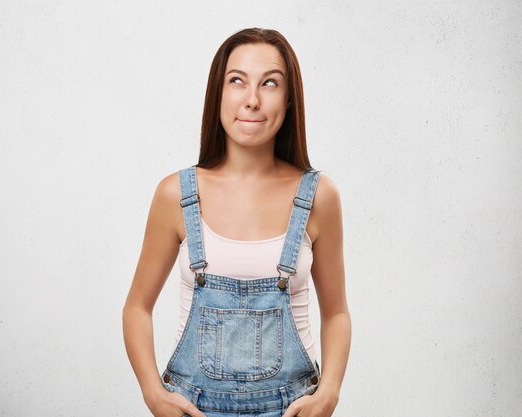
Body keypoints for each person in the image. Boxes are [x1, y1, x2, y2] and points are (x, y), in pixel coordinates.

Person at [123, 27, 351, 417]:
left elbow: (337, 314)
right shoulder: (175, 195)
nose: (252, 100)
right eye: (237, 81)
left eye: (270, 83)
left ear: (290, 98)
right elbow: (137, 308)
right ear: (218, 94)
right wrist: (153, 393)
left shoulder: (318, 197)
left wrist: (328, 393)